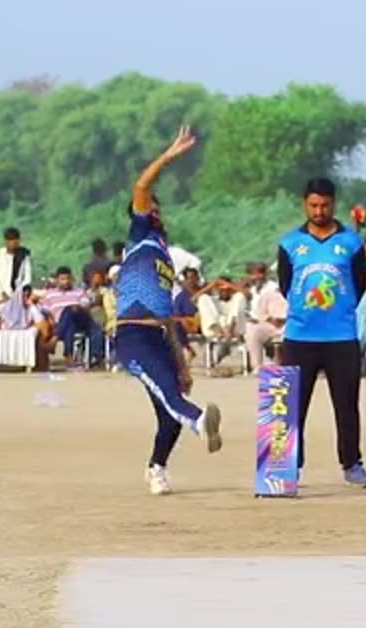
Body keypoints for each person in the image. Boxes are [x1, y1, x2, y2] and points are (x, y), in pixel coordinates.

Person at [114, 125, 223, 496]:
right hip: (132, 336)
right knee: (177, 405)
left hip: (159, 336)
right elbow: (141, 188)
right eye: (151, 207)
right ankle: (199, 420)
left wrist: (182, 363)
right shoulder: (139, 234)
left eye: (157, 207)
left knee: (168, 412)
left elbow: (169, 319)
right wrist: (169, 155)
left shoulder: (163, 254)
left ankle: (156, 468)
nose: (156, 210)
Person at [276, 177, 366, 488]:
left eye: (325, 205)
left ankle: (352, 463)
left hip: (341, 337)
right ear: (305, 204)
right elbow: (285, 285)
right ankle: (287, 466)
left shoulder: (351, 243)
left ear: (334, 203)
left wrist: (338, 312)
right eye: (313, 205)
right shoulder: (290, 243)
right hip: (299, 337)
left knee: (347, 405)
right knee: (292, 406)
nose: (319, 211)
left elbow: (359, 285)